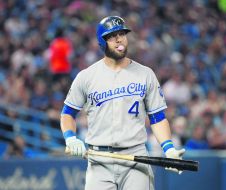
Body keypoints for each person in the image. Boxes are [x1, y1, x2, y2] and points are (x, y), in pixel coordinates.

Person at [60, 16, 185, 190]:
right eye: (112, 36)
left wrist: (169, 149)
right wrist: (70, 137)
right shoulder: (86, 76)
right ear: (102, 42)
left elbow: (157, 117)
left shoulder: (145, 74)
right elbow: (68, 113)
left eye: (122, 34)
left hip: (136, 158)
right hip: (99, 160)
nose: (119, 39)